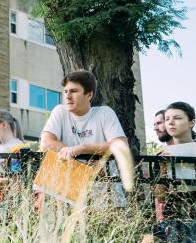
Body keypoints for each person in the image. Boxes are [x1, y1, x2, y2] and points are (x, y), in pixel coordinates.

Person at [36, 70, 127, 205]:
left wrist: (82, 148)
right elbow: (46, 143)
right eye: (65, 91)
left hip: (105, 196)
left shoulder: (104, 113)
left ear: (89, 94)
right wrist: (80, 161)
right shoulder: (60, 111)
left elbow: (121, 145)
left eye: (73, 91)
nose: (67, 96)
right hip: (66, 194)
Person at [152, 101, 196, 243]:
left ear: (191, 122)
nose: (171, 122)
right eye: (167, 119)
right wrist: (163, 169)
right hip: (175, 219)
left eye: (177, 118)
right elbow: (160, 196)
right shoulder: (161, 156)